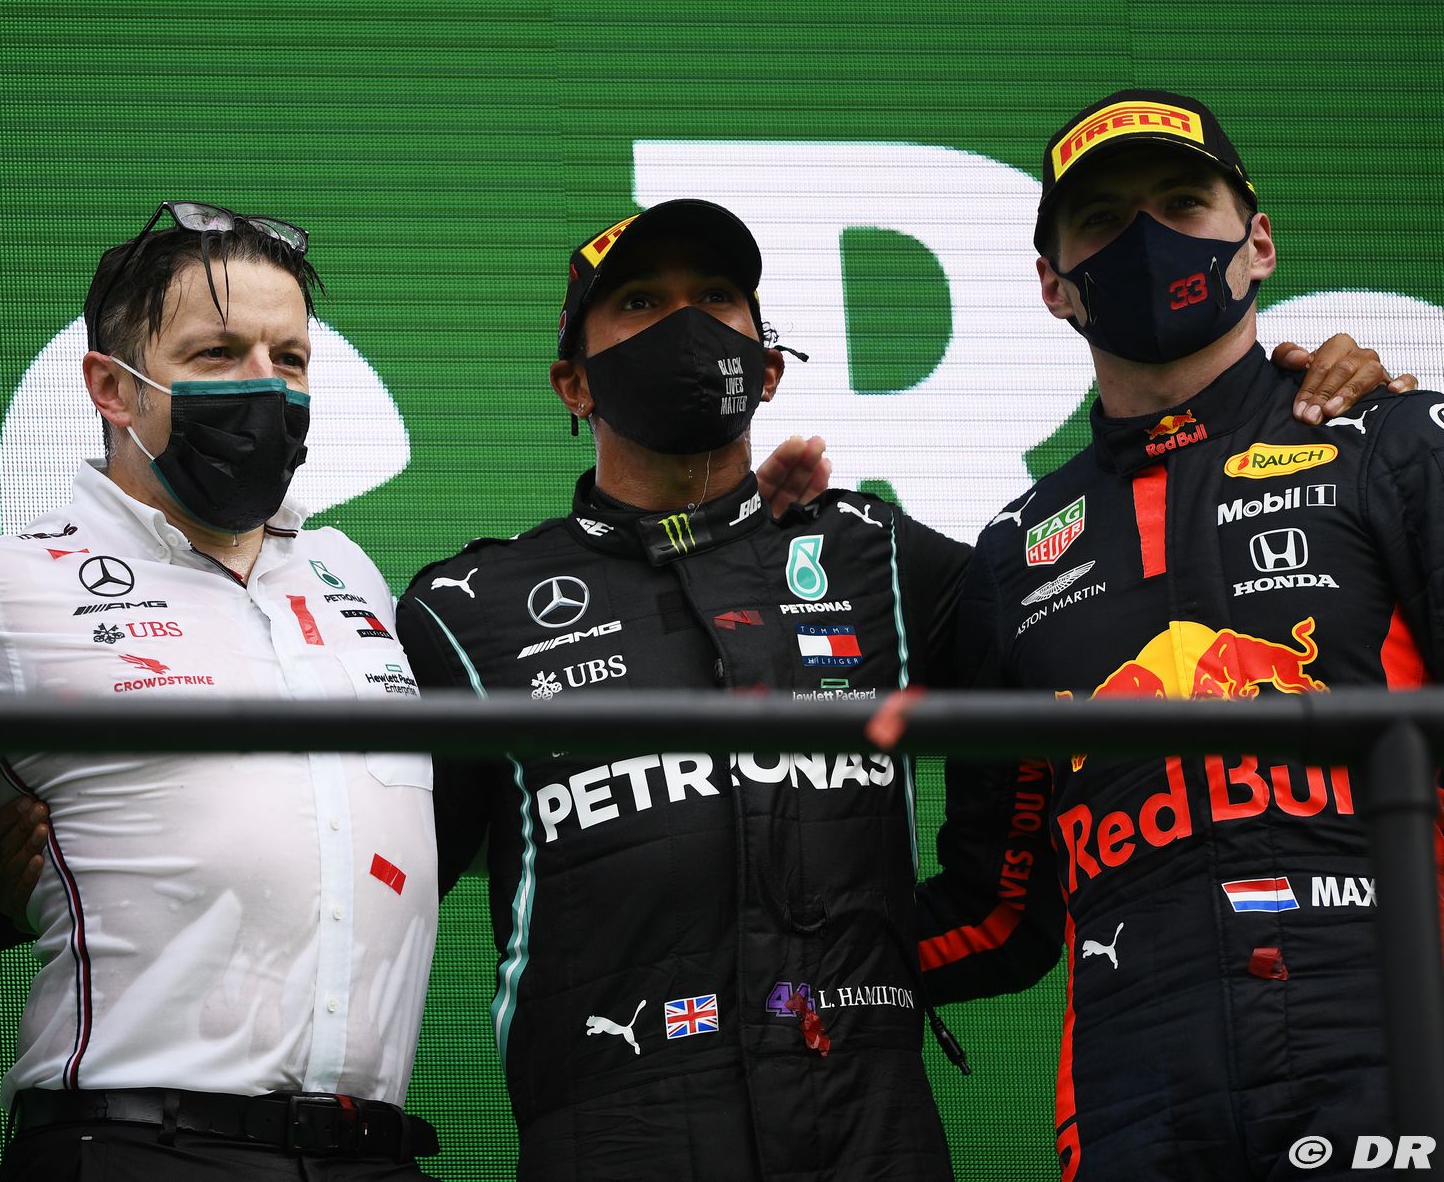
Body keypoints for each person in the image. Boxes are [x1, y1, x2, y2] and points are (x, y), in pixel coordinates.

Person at [391, 197, 1405, 1182]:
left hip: (870, 1129)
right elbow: (366, 898)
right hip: (613, 1134)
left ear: (769, 369)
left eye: (716, 300)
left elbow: (1115, 609)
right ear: (573, 384)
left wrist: (1274, 409)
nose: (686, 326)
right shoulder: (465, 611)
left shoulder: (872, 555)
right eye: (641, 304)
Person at [915, 89, 1444, 1181]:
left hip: (1397, 1059)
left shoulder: (1394, 444)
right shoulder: (1012, 555)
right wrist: (776, 980)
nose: (1147, 238)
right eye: (1104, 221)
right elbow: (1000, 909)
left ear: (1259, 243)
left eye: (1181, 204)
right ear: (1054, 286)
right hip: (1137, 1101)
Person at [0, 202, 441, 1181]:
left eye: (290, 360)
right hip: (134, 1143)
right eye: (218, 354)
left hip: (372, 1148)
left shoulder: (350, 573)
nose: (263, 385)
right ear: (112, 387)